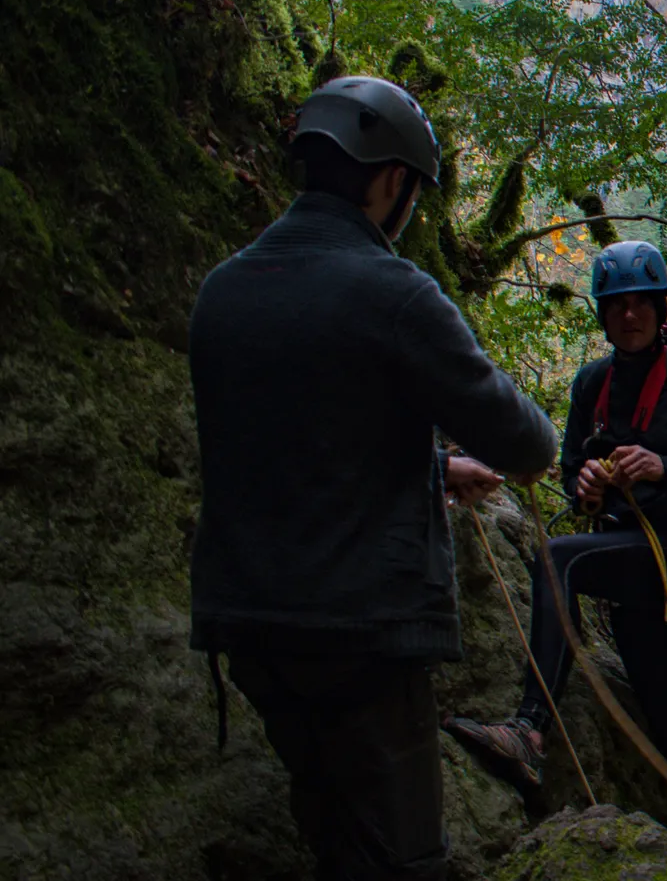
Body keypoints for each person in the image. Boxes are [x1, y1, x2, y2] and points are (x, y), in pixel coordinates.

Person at [188, 76, 559, 881]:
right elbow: (525, 441)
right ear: (391, 179)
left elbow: (287, 438)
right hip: (357, 630)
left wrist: (432, 468)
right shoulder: (393, 292)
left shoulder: (221, 291)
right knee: (404, 854)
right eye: (414, 192)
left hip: (248, 624)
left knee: (329, 825)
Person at [445, 240, 667, 854]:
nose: (630, 315)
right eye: (618, 305)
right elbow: (570, 469)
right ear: (603, 313)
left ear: (660, 306)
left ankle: (530, 732)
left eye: (642, 302)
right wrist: (585, 483)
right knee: (663, 703)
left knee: (557, 556)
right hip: (625, 553)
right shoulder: (592, 383)